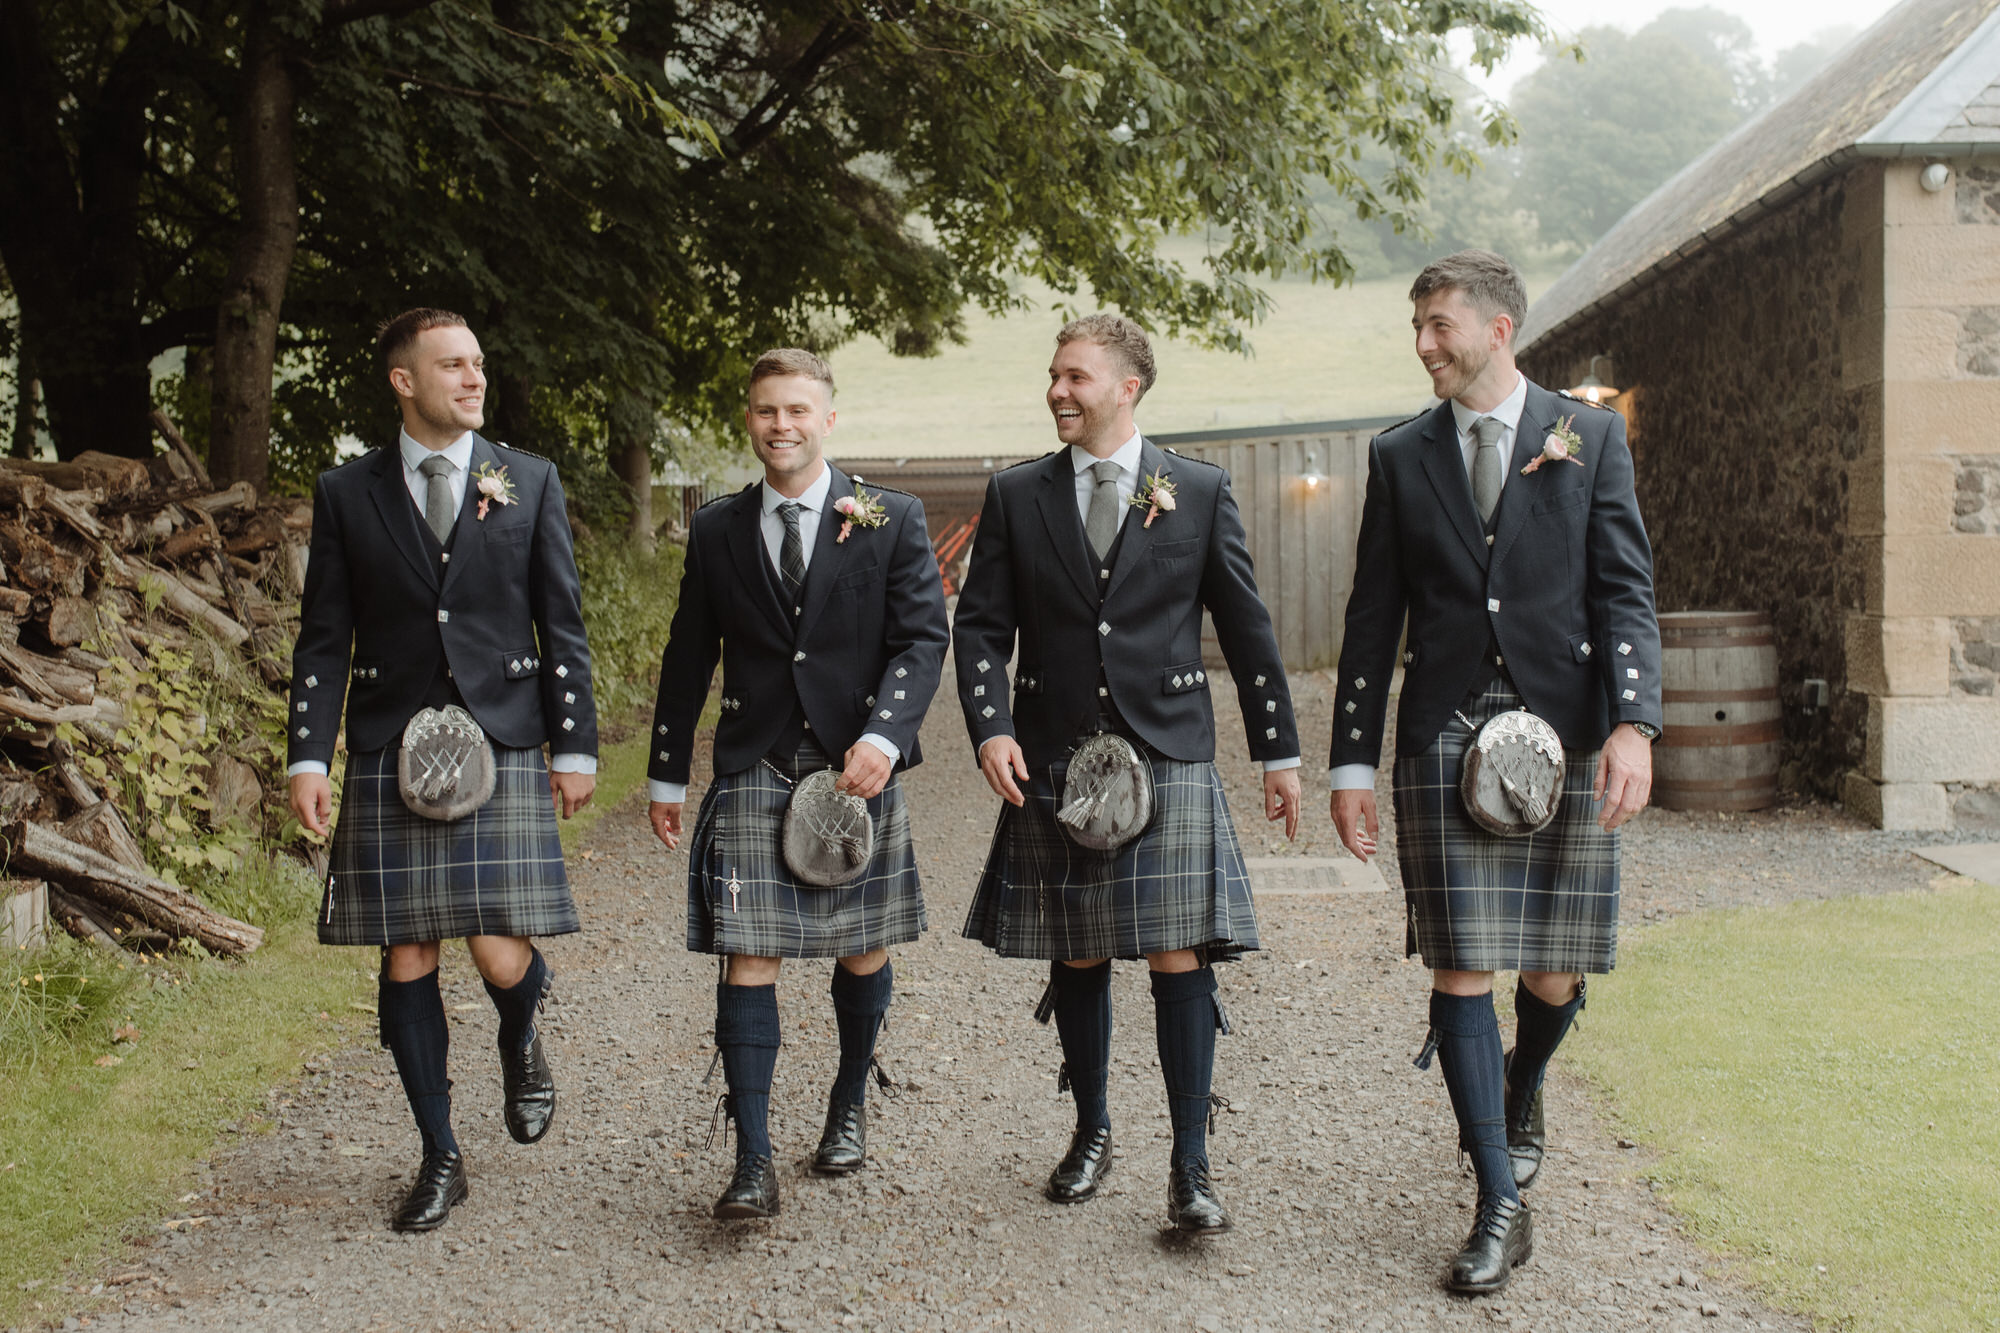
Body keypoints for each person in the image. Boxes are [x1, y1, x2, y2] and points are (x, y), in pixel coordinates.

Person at [1328, 250, 1661, 1294]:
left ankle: (1523, 1078)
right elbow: (1370, 616)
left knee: (1550, 965)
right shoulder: (1400, 453)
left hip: (1562, 731)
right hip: (1440, 735)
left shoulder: (1585, 434)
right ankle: (1495, 1200)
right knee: (1460, 961)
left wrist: (1634, 724)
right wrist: (1347, 758)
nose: (1423, 343)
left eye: (1438, 325)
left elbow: (1623, 589)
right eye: (1417, 326)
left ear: (1497, 327)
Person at [952, 314, 1304, 1234]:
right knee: (1078, 947)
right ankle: (1091, 1128)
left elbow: (1248, 627)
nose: (1058, 391)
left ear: (1127, 387)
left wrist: (1279, 751)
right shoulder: (1018, 494)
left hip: (1168, 746)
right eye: (1054, 376)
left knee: (1176, 949)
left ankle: (1191, 1163)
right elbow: (981, 629)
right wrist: (991, 729)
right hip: (1057, 747)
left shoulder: (1196, 487)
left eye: (1076, 377)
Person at [288, 308, 597, 1233]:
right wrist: (310, 752)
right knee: (409, 947)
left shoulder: (527, 479)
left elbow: (562, 622)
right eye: (450, 365)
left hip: (500, 733)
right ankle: (440, 1154)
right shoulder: (350, 491)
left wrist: (573, 744)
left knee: (499, 948)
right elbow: (322, 637)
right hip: (390, 741)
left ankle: (520, 1027)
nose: (472, 378)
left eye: (477, 363)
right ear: (403, 380)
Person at [648, 348, 948, 1220]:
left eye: (797, 410)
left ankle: (849, 1100)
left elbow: (922, 639)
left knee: (863, 946)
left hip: (856, 763)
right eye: (766, 410)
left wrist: (887, 737)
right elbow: (687, 653)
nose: (781, 425)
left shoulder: (891, 517)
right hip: (757, 759)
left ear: (826, 417)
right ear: (751, 418)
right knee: (751, 953)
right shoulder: (716, 527)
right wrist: (667, 772)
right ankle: (751, 1158)